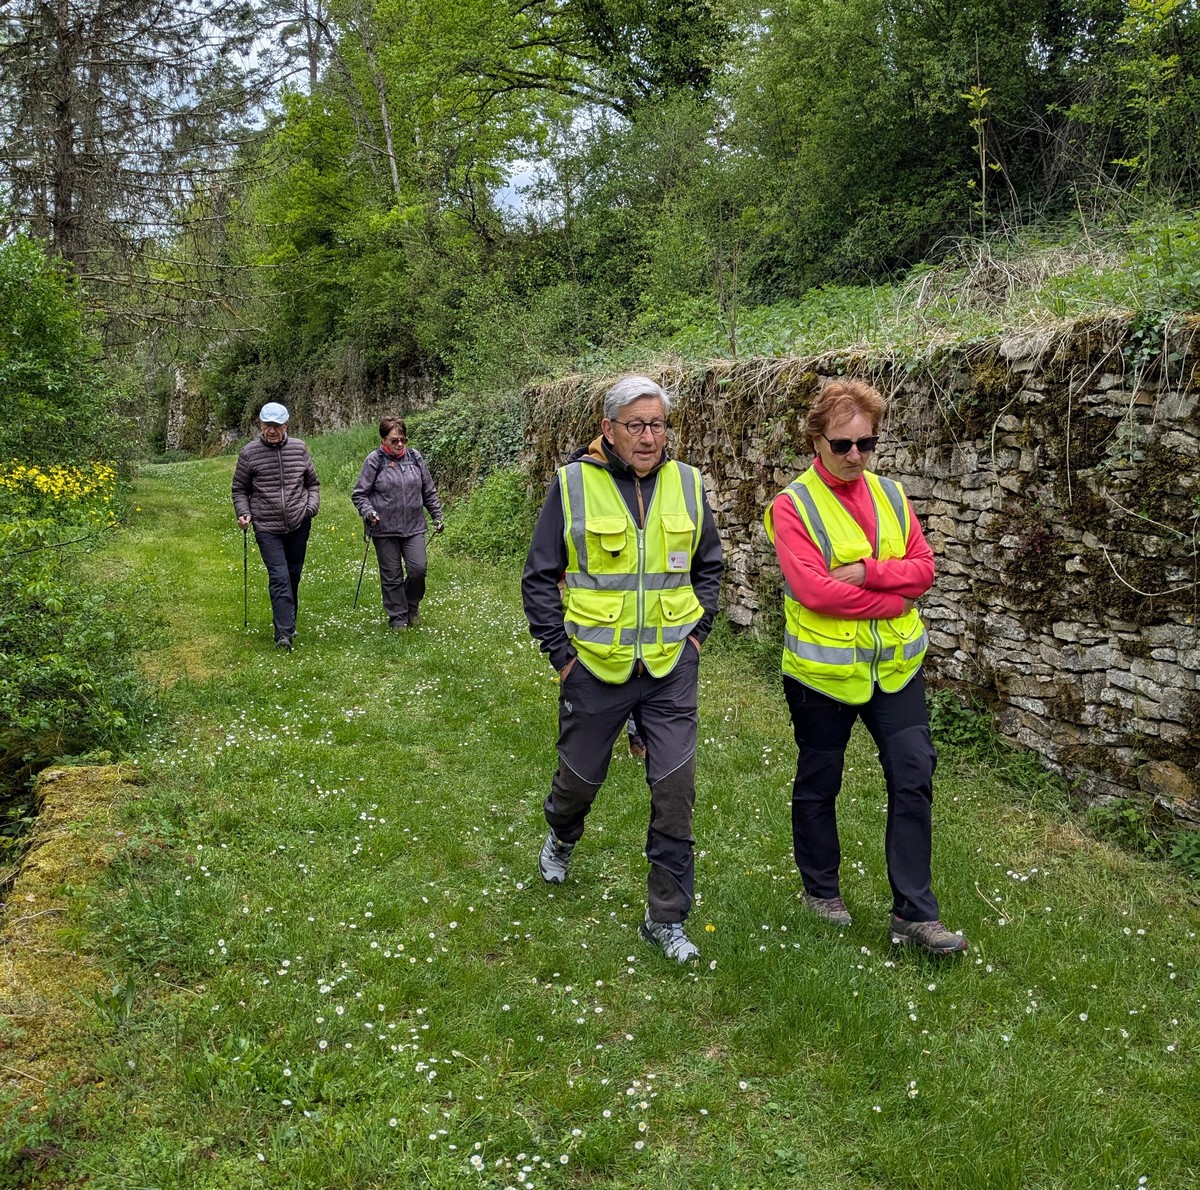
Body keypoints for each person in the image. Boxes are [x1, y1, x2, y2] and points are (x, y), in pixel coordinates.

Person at [763, 378, 967, 956]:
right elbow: (815, 591)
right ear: (816, 441)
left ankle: (914, 916)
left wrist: (871, 573)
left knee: (913, 773)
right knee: (820, 780)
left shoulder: (892, 495)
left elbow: (924, 569)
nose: (856, 455)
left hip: (895, 670)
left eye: (867, 442)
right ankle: (821, 890)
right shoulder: (792, 506)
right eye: (843, 444)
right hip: (822, 676)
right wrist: (895, 601)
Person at [523, 375, 723, 963]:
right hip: (594, 667)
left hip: (669, 668)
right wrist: (562, 657)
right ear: (608, 429)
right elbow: (539, 576)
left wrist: (696, 638)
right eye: (635, 425)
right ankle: (562, 833)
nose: (648, 437)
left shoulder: (688, 483)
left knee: (675, 790)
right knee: (579, 781)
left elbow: (709, 566)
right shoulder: (572, 484)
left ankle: (666, 919)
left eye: (657, 424)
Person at [231, 402, 320, 651]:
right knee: (279, 577)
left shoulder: (299, 448)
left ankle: (288, 621)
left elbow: (312, 483)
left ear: (286, 426)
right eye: (267, 425)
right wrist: (244, 513)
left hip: (298, 523)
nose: (272, 430)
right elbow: (240, 489)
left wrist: (310, 508)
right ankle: (284, 634)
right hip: (267, 526)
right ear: (260, 425)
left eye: (277, 426)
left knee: (293, 575)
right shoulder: (249, 453)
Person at [351, 416, 444, 630]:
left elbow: (428, 491)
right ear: (383, 440)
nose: (400, 444)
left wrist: (437, 515)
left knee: (418, 570)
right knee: (392, 576)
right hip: (384, 528)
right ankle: (398, 618)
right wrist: (369, 512)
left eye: (403, 439)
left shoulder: (415, 458)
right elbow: (359, 494)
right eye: (394, 440)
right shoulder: (374, 460)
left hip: (414, 526)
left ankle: (411, 607)